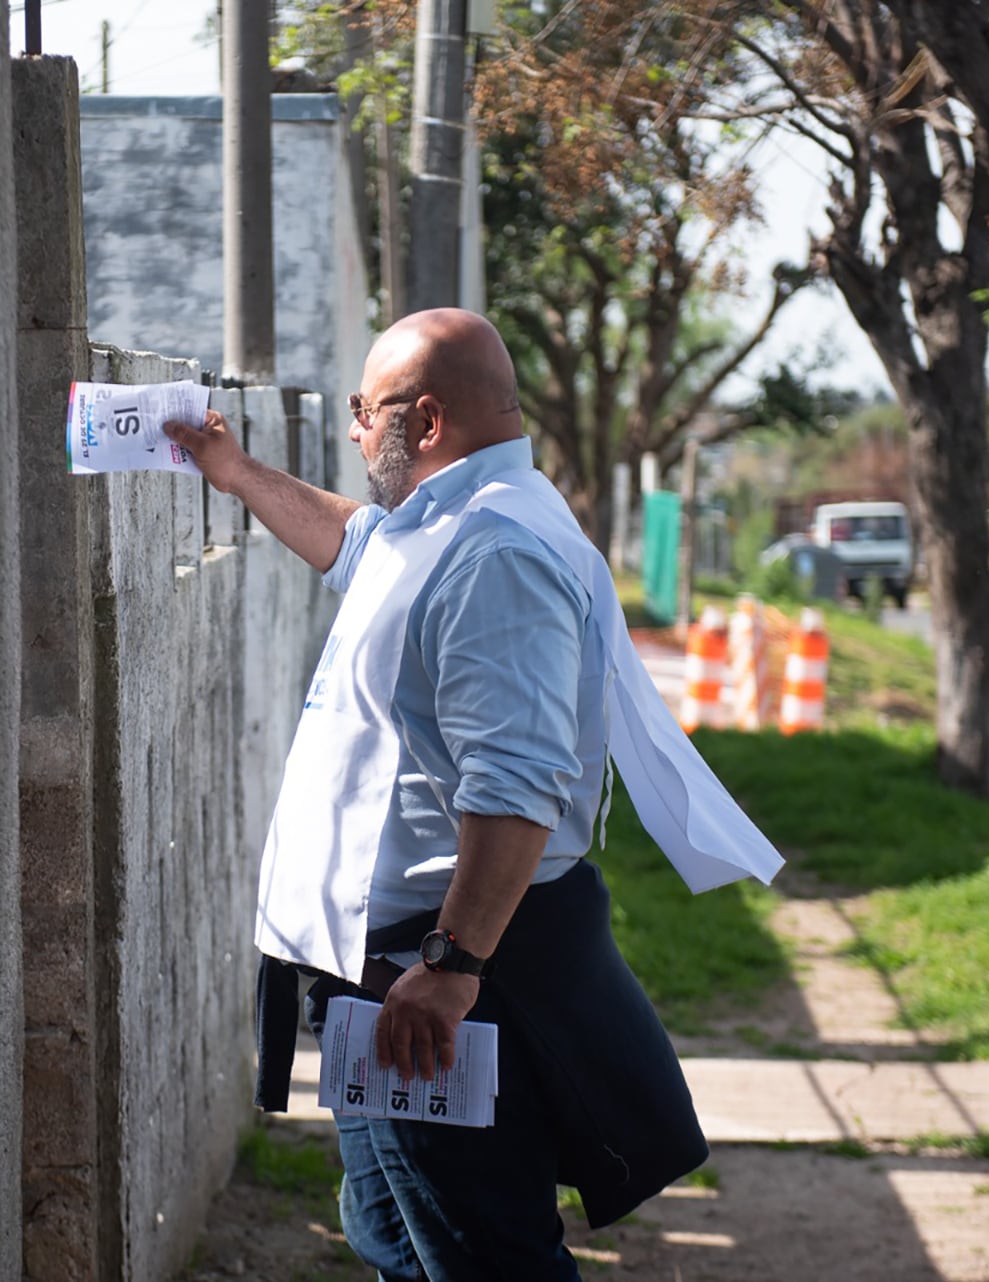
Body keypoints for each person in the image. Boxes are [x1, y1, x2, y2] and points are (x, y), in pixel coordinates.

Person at [167, 309, 782, 1280]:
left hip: (444, 976)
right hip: (395, 971)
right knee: (399, 1238)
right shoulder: (442, 524)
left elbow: (516, 785)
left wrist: (452, 966)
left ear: (427, 417)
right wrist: (234, 472)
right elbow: (356, 543)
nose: (357, 431)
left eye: (366, 412)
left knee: (483, 1256)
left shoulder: (494, 549)